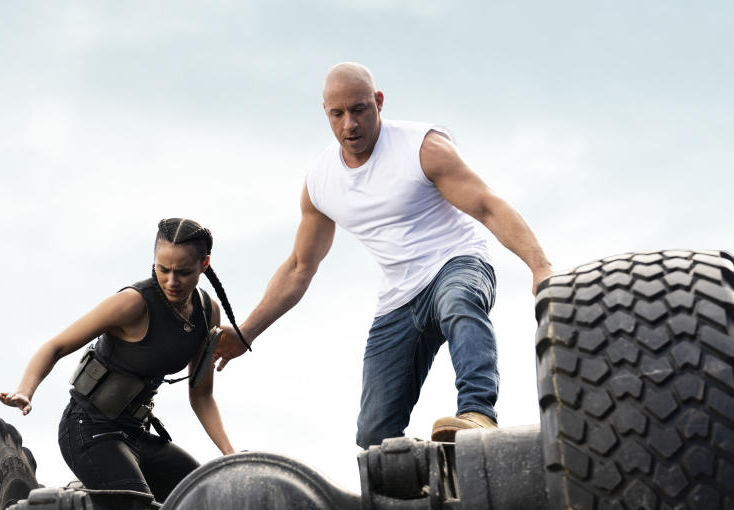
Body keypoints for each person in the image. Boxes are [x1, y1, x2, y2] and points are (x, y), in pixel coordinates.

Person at [214, 62, 553, 448]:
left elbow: (488, 206)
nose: (349, 125)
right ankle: (425, 489)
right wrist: (245, 332)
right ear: (325, 112)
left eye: (359, 110)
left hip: (456, 262)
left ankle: (477, 414)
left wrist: (539, 266)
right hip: (399, 298)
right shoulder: (321, 182)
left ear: (378, 102)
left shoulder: (422, 148)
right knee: (374, 437)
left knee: (457, 301)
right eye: (337, 114)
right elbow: (298, 268)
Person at [0, 218, 251, 502]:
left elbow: (202, 395)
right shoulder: (133, 303)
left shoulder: (207, 312)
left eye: (184, 272)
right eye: (163, 269)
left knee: (204, 500)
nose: (172, 281)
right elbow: (55, 346)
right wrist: (25, 390)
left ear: (204, 265)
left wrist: (229, 454)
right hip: (89, 430)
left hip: (136, 434)